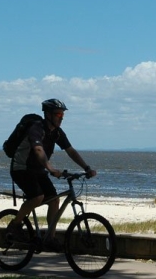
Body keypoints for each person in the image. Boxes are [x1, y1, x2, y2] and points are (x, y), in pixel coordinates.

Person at [6, 99, 97, 251]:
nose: (61, 117)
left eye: (62, 115)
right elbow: (38, 150)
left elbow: (71, 151)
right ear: (48, 114)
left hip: (38, 171)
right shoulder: (36, 128)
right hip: (21, 169)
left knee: (54, 200)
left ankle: (50, 238)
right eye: (58, 114)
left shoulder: (57, 133)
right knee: (37, 196)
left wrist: (87, 168)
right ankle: (14, 226)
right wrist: (50, 168)